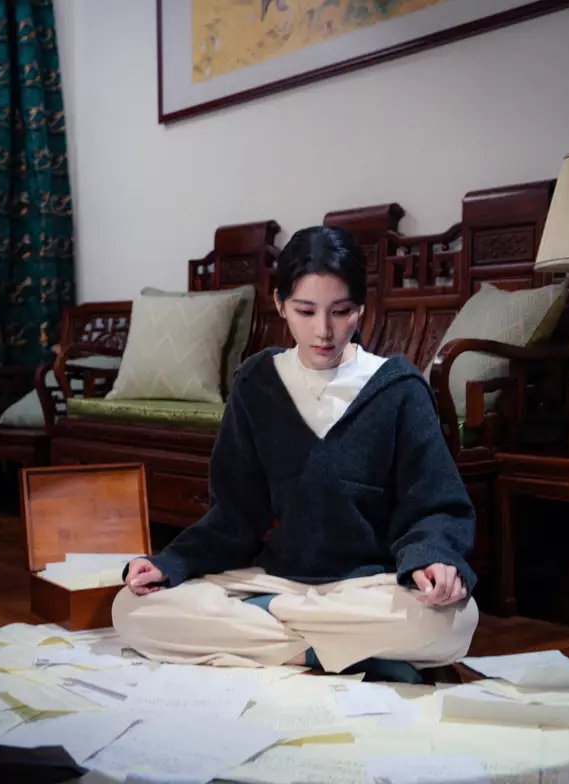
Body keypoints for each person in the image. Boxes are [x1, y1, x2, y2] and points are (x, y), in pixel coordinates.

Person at [111, 226, 479, 681]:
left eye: (341, 311)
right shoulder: (256, 384)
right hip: (275, 580)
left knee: (453, 621)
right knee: (130, 609)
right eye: (305, 311)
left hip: (370, 586)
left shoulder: (399, 388)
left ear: (361, 308)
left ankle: (285, 638)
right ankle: (345, 651)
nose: (323, 331)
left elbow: (436, 504)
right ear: (281, 304)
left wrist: (433, 558)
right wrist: (169, 564)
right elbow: (233, 517)